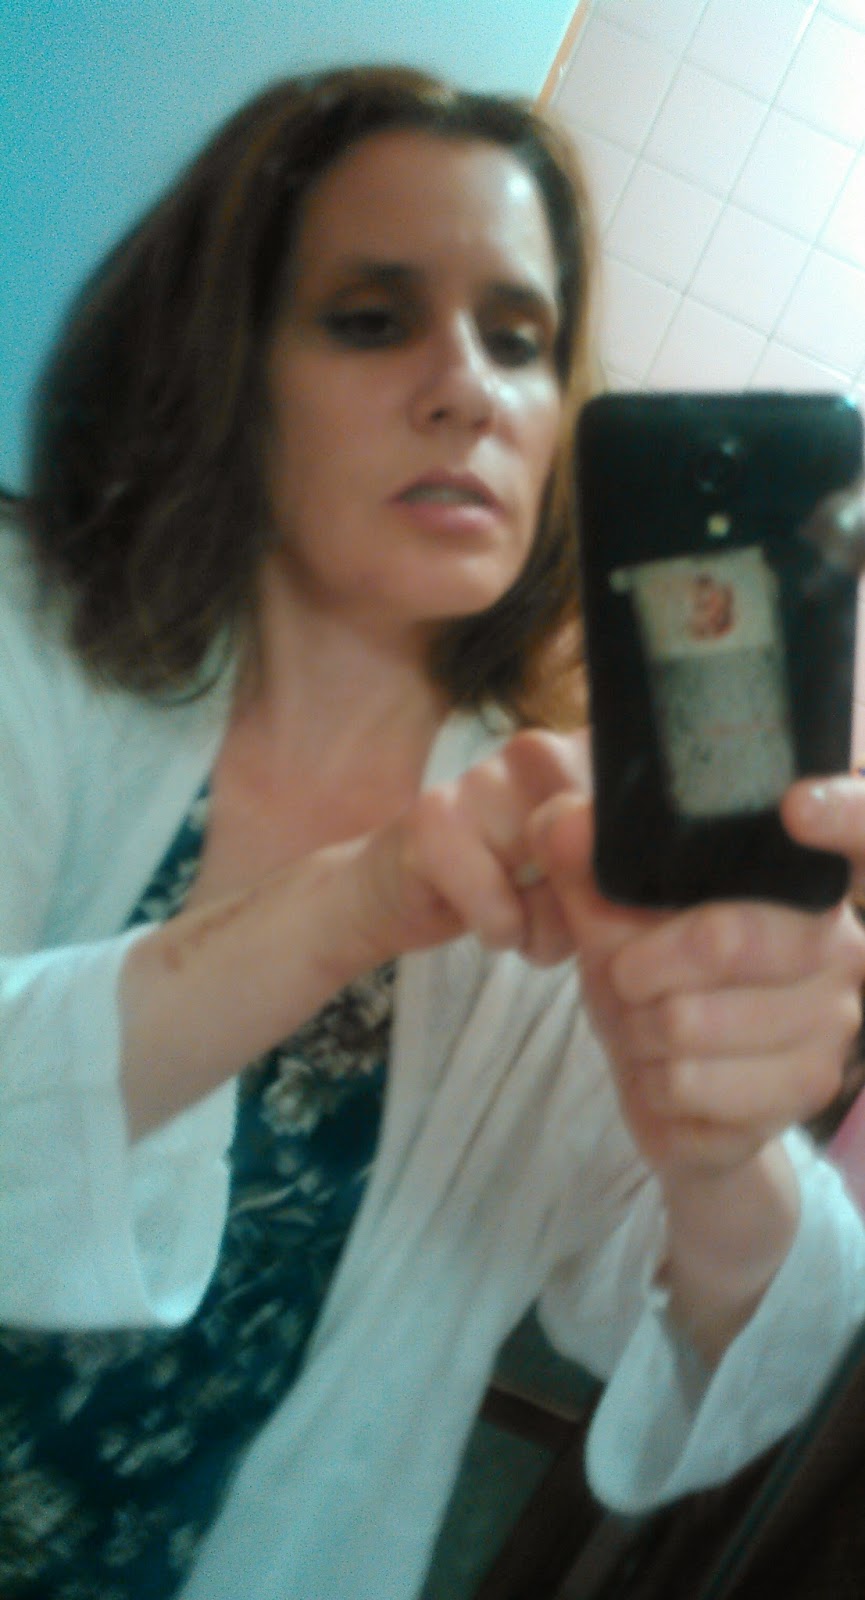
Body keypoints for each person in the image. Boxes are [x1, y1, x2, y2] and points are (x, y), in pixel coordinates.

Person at [1, 63, 865, 1600]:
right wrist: (351, 905)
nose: (468, 387)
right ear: (224, 365)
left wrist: (724, 1151)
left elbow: (714, 1350)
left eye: (519, 339)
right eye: (370, 317)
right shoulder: (25, 652)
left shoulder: (565, 842)